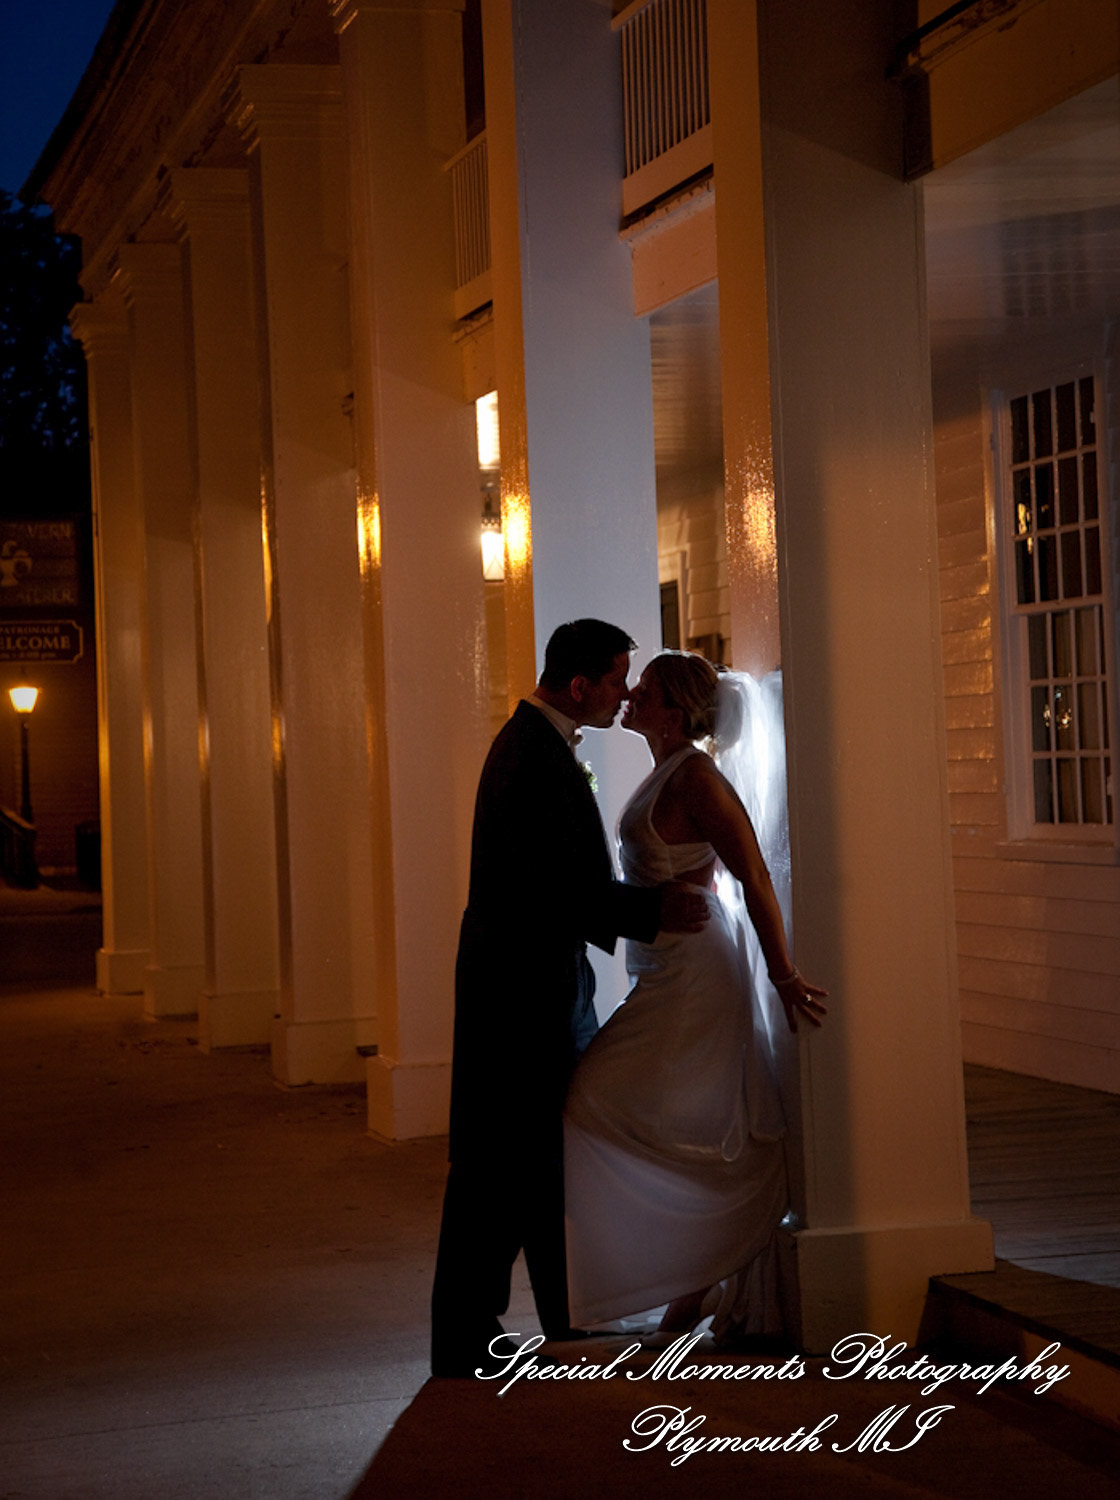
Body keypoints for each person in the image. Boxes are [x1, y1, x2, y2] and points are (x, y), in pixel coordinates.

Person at [430, 621, 711, 1378]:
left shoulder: (536, 746)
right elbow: (559, 890)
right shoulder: (535, 758)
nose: (624, 693)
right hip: (521, 995)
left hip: (528, 985)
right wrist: (654, 913)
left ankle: (553, 1318)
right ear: (581, 685)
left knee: (528, 1162)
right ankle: (472, 1333)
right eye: (618, 679)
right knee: (502, 1165)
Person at [564, 651, 827, 1345]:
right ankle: (681, 1284)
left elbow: (754, 878)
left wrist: (783, 974)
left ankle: (698, 1279)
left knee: (618, 1104)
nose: (629, 695)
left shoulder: (699, 778)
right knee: (631, 1111)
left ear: (672, 714)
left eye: (642, 690)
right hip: (662, 971)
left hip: (699, 977)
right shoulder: (665, 770)